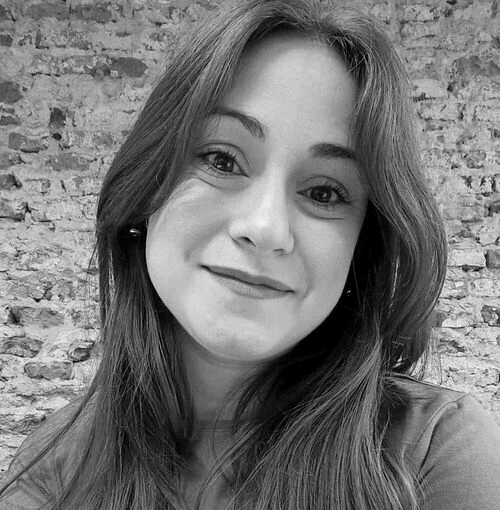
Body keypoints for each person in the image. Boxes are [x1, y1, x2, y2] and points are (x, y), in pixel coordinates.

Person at [1, 0, 500, 508]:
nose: (265, 228)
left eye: (324, 193)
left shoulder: (437, 453)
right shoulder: (55, 464)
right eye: (222, 159)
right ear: (147, 186)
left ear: (361, 247)